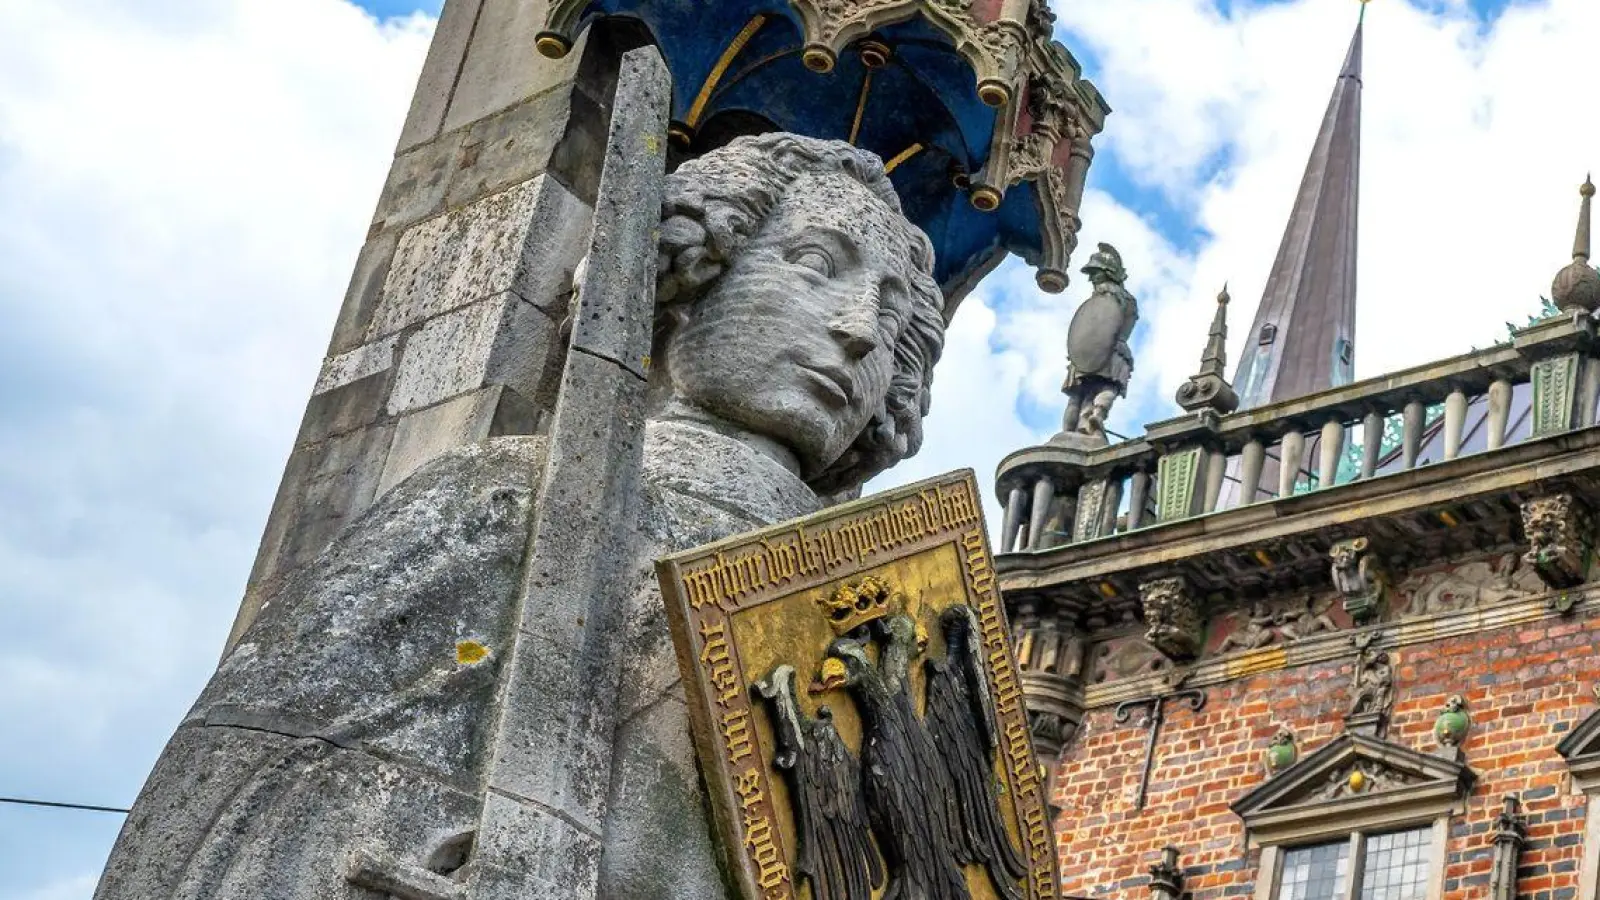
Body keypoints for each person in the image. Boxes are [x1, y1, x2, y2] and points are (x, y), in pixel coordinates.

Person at [95, 132, 948, 900]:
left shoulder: (907, 618)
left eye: (892, 311)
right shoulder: (500, 497)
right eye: (814, 264)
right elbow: (253, 790)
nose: (860, 332)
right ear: (690, 275)